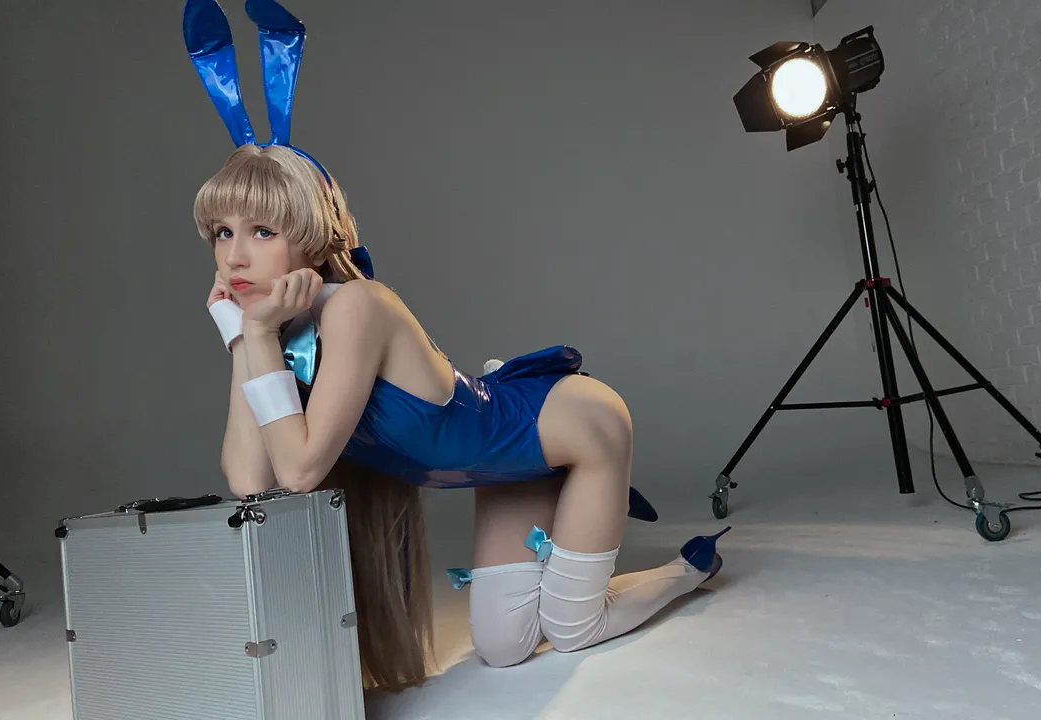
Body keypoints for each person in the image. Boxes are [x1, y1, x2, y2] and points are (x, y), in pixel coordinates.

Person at [183, 0, 731, 692]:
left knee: (570, 629)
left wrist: (256, 333)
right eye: (223, 233)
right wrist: (243, 335)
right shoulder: (277, 335)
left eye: (262, 231)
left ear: (311, 235)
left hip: (575, 424)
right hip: (507, 466)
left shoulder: (357, 306)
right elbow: (249, 480)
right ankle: (579, 551)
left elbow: (299, 470)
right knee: (503, 650)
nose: (235, 255)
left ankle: (687, 569)